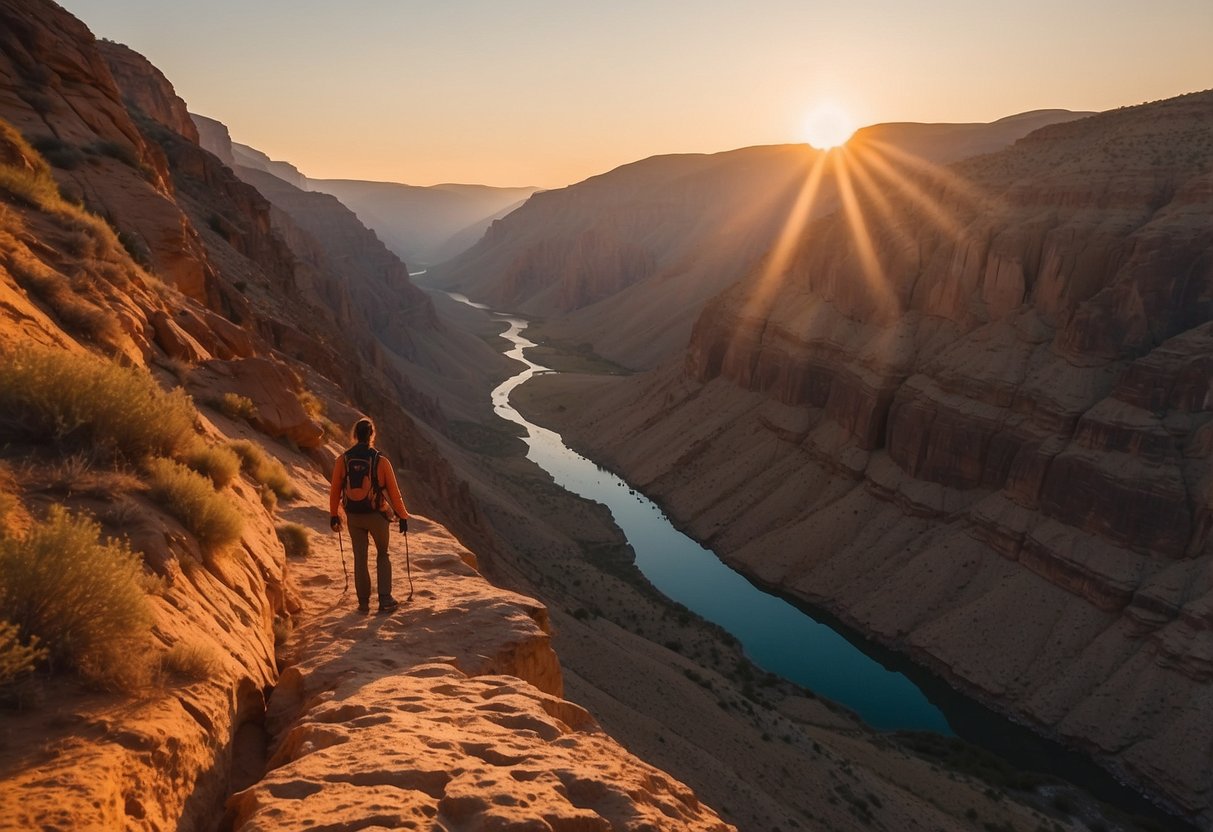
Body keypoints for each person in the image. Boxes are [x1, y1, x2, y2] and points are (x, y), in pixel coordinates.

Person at [329, 418, 411, 613]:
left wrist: (334, 514)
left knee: (360, 558)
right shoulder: (380, 461)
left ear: (355, 435)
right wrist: (402, 515)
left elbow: (334, 491)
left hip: (354, 516)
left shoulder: (344, 459)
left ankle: (363, 604)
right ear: (372, 435)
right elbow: (393, 492)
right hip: (377, 516)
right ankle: (385, 599)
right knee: (383, 554)